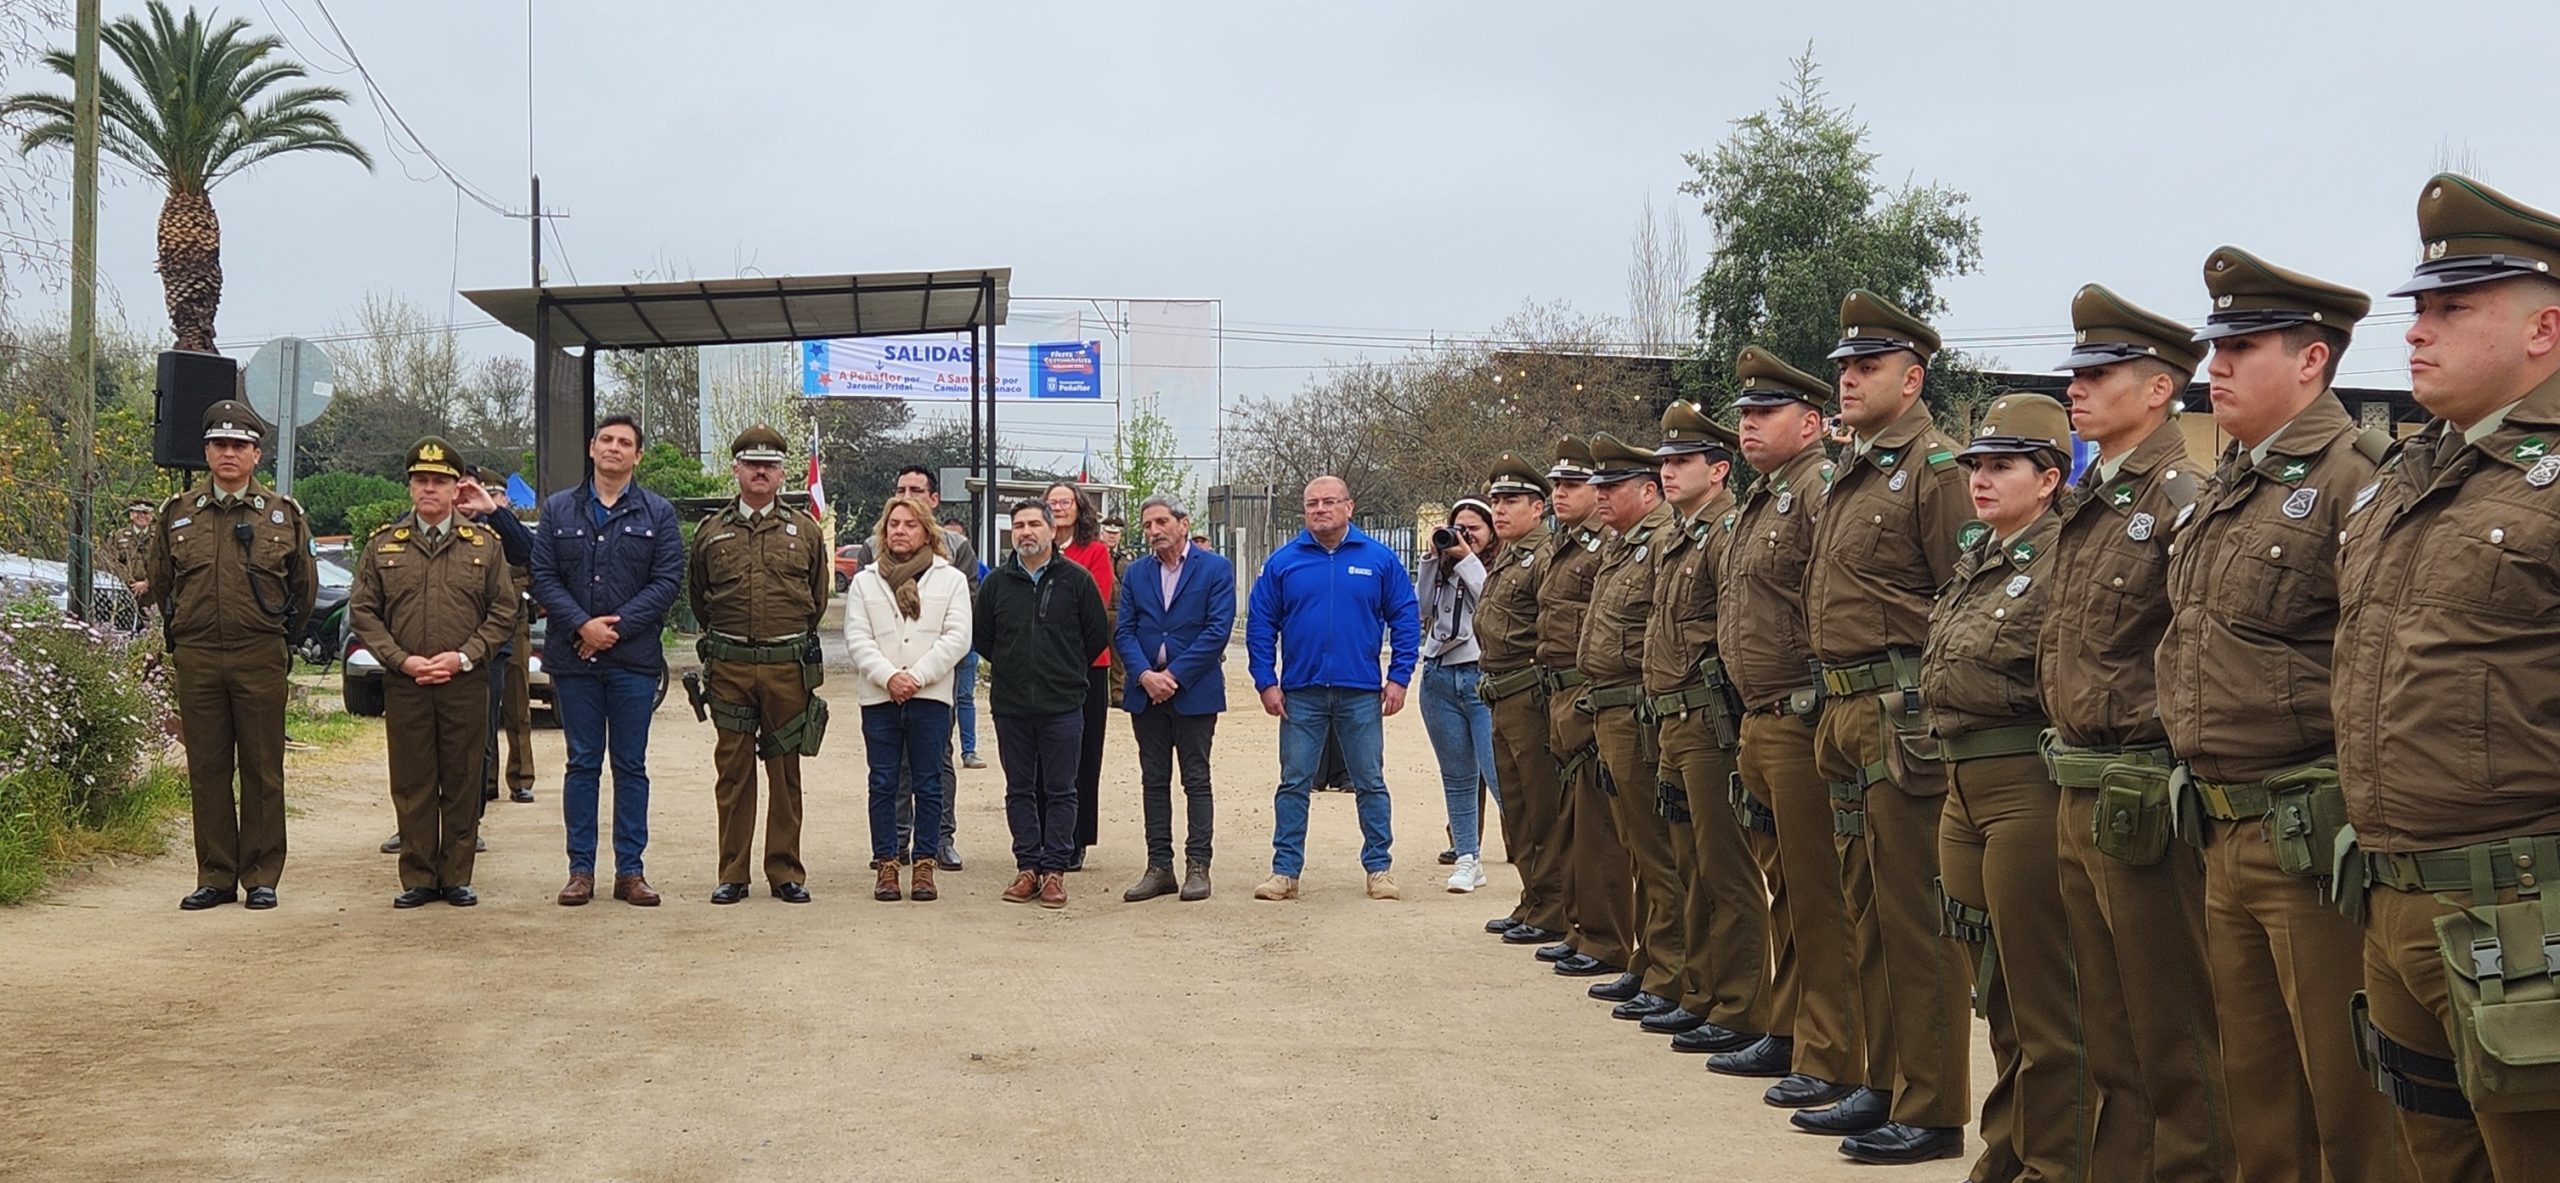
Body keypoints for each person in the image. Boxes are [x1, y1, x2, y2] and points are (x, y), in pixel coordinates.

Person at [2159, 246, 2401, 1181]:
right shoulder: (2230, 481)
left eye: (2241, 348)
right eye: (2215, 348)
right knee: (2259, 1095)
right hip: (2222, 827)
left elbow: (2379, 661)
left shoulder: (2356, 477)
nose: (2214, 366)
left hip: (2310, 832)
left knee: (2350, 1101)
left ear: (2312, 359)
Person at [2340, 171, 2560, 1181]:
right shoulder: (2410, 477)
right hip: (2396, 897)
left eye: (2452, 307)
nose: (2417, 330)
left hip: (2524, 913)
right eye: (2418, 307)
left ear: (2543, 329)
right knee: (2436, 1158)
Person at [2040, 285, 2230, 1182]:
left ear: (2159, 390)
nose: (2075, 387)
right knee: (2109, 1031)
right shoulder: (2093, 496)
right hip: (2080, 779)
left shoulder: (2182, 496)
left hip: (2141, 789)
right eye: (2075, 372)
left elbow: (2194, 652)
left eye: (2099, 373)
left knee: (2174, 1034)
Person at [1804, 290, 1972, 1165]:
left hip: (1900, 714)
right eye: (1844, 367)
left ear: (1911, 380)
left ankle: (1933, 1103)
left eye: (1866, 367)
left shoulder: (1938, 471)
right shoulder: (1856, 467)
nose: (1848, 379)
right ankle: (1884, 1077)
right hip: (1844, 710)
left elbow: (1965, 597)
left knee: (1916, 916)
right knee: (1864, 907)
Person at [1919, 394, 2100, 1180]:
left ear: (2050, 478)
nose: (1981, 479)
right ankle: (2010, 1149)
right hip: (1962, 780)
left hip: (2026, 781)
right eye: (1976, 465)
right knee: (1993, 992)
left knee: (2043, 997)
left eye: (2002, 465)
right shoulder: (1983, 556)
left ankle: (2056, 1162)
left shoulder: (2064, 556)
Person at [1710, 349, 1867, 1088]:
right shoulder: (1764, 497)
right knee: (1786, 889)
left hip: (1803, 718)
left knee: (1818, 894)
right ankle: (1789, 1027)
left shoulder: (1816, 489)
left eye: (1765, 412)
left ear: (1810, 423)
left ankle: (1830, 1052)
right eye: (1744, 413)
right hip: (1761, 717)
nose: (1748, 424)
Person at [1643, 402, 1778, 1055]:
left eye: (1682, 461)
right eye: (1664, 462)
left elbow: (1734, 630)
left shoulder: (1724, 532)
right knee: (1692, 863)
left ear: (1719, 470)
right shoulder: (1683, 534)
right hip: (1676, 716)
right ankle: (1701, 991)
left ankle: (1742, 1005)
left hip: (1710, 718)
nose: (1668, 471)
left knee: (1728, 869)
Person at [143, 400, 315, 911]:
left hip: (258, 653)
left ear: (256, 454)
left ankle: (261, 876)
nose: (229, 453)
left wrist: (278, 639)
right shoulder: (178, 514)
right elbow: (161, 581)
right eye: (219, 444)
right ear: (206, 452)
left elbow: (303, 590)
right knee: (208, 768)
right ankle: (216, 875)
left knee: (262, 769)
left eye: (239, 445)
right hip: (197, 656)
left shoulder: (282, 515)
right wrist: (182, 636)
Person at [348, 437, 517, 909]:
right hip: (406, 682)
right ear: (410, 486)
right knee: (412, 782)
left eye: (439, 482)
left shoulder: (484, 544)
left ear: (455, 488)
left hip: (464, 682)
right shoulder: (384, 545)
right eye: (421, 480)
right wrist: (399, 659)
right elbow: (363, 611)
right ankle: (419, 876)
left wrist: (464, 656)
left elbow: (504, 611)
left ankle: (457, 875)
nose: (429, 489)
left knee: (462, 780)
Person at [530, 414, 684, 908]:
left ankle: (630, 872)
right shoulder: (558, 509)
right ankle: (580, 871)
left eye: (625, 443)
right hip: (574, 661)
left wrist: (610, 631)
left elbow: (667, 581)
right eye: (607, 440)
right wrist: (583, 626)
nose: (614, 448)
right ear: (592, 448)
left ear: (638, 456)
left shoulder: (658, 513)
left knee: (630, 765)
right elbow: (543, 575)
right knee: (582, 763)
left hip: (633, 661)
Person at [1246, 475, 1420, 902]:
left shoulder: (1379, 559)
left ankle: (1379, 869)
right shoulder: (1283, 562)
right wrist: (1266, 681)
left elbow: (1405, 618)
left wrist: (1399, 677)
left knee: (1370, 781)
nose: (1320, 509)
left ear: (1349, 507)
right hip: (1301, 693)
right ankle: (1285, 872)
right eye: (1312, 503)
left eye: (1328, 501)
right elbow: (1260, 624)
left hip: (1360, 692)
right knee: (1293, 783)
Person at [688, 426, 833, 906]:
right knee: (732, 773)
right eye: (752, 464)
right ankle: (733, 873)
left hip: (787, 669)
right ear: (736, 470)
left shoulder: (805, 531)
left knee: (785, 773)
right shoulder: (712, 532)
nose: (760, 472)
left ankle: (785, 871)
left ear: (781, 474)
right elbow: (700, 598)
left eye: (769, 466)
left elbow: (816, 600)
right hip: (729, 669)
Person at [1574, 433, 1689, 1024]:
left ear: (1647, 492)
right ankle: (1649, 961)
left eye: (1613, 487)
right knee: (1637, 848)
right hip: (1611, 707)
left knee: (1659, 852)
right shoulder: (1624, 546)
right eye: (1599, 487)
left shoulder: (1662, 540)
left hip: (1639, 709)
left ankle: (1670, 972)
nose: (1601, 496)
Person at [977, 499, 1111, 908]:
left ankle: (1054, 870)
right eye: (1019, 525)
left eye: (1034, 524)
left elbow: (1096, 635)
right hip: (1012, 705)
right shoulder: (996, 584)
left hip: (1063, 704)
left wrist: (1061, 669)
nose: (1026, 532)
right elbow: (984, 638)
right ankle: (1027, 868)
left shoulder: (1077, 581)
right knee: (1019, 789)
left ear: (1052, 531)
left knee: (1061, 790)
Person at [1534, 437, 1634, 978]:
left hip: (1592, 691)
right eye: (1558, 485)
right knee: (1573, 819)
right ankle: (1580, 926)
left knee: (1600, 827)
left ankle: (1604, 936)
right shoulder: (1568, 544)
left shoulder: (1604, 546)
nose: (1562, 494)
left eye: (1573, 485)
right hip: (1563, 693)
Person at [845, 493, 972, 903]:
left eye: (910, 524)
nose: (900, 531)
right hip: (879, 697)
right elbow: (857, 638)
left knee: (929, 782)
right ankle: (887, 862)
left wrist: (915, 677)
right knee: (883, 782)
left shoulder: (950, 579)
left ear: (927, 532)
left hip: (929, 696)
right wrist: (889, 677)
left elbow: (957, 638)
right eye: (893, 524)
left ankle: (924, 865)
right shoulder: (865, 581)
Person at [1112, 494, 1235, 903]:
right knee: (1153, 779)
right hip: (1146, 693)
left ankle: (1198, 866)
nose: (1153, 531)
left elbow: (1217, 631)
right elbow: (1125, 630)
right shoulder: (1136, 573)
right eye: (1147, 524)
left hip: (1194, 692)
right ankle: (1159, 867)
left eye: (1161, 522)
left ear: (1183, 524)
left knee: (1196, 779)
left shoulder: (1215, 569)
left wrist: (1174, 676)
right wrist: (1145, 675)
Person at [1474, 454, 1564, 941]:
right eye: (1496, 501)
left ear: (1537, 507)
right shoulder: (1510, 555)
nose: (1500, 510)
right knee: (1517, 806)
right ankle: (1533, 898)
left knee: (1540, 806)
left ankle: (1553, 906)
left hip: (1529, 693)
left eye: (1511, 501)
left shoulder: (1544, 555)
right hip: (1501, 693)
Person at [890, 466, 977, 870]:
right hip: (890, 673)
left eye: (917, 490)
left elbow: (966, 607)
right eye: (901, 489)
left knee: (938, 756)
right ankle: (896, 840)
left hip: (939, 671)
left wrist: (929, 660)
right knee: (895, 760)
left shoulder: (956, 548)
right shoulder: (877, 547)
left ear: (934, 499)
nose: (908, 496)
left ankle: (941, 838)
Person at [1415, 498, 1499, 893]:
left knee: (1498, 773)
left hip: (1480, 674)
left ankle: (1537, 857)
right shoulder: (1443, 567)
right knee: (1457, 776)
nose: (1464, 537)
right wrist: (1432, 561)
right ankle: (1467, 857)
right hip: (1439, 675)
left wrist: (1467, 559)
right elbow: (1421, 608)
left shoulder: (1499, 566)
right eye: (1457, 529)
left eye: (1473, 529)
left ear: (1492, 533)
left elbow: (1493, 607)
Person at [1046, 482, 1116, 872]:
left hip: (1086, 665)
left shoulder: (1095, 552)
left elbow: (1095, 609)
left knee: (1084, 754)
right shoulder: (1034, 548)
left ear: (1079, 508)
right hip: (1043, 668)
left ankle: (1076, 838)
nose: (1058, 508)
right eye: (1052, 502)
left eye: (1065, 502)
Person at [459, 466, 537, 811]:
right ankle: (486, 782)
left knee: (517, 705)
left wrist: (495, 512)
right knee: (481, 714)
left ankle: (521, 778)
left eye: (495, 493)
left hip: (512, 622)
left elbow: (531, 557)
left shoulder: (501, 525)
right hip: (466, 628)